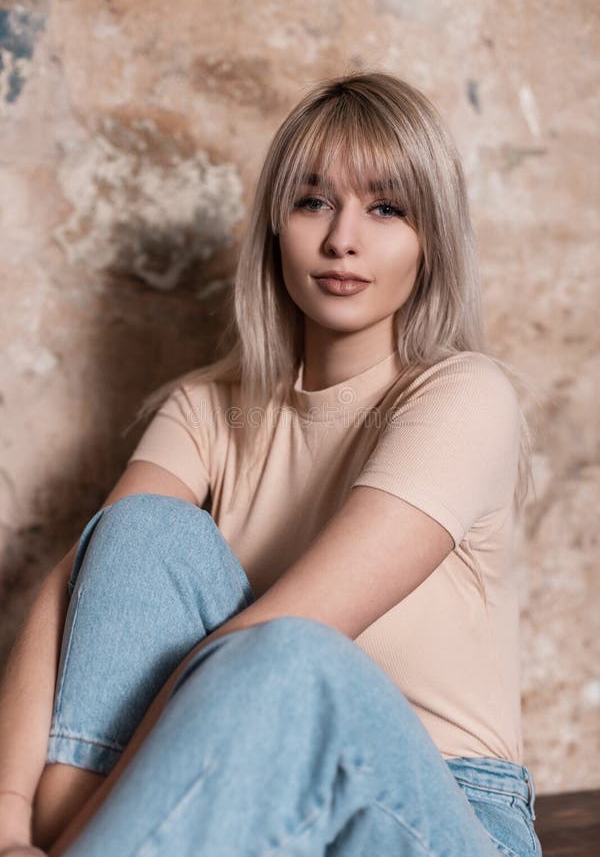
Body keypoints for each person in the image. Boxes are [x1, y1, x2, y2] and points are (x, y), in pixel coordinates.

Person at [0, 71, 542, 856]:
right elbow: (78, 582)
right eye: (313, 201)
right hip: (238, 802)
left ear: (431, 241)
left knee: (291, 656)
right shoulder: (206, 407)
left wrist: (84, 833)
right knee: (142, 529)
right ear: (275, 225)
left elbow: (290, 634)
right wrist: (11, 821)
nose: (343, 239)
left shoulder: (464, 398)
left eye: (387, 208)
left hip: (441, 811)